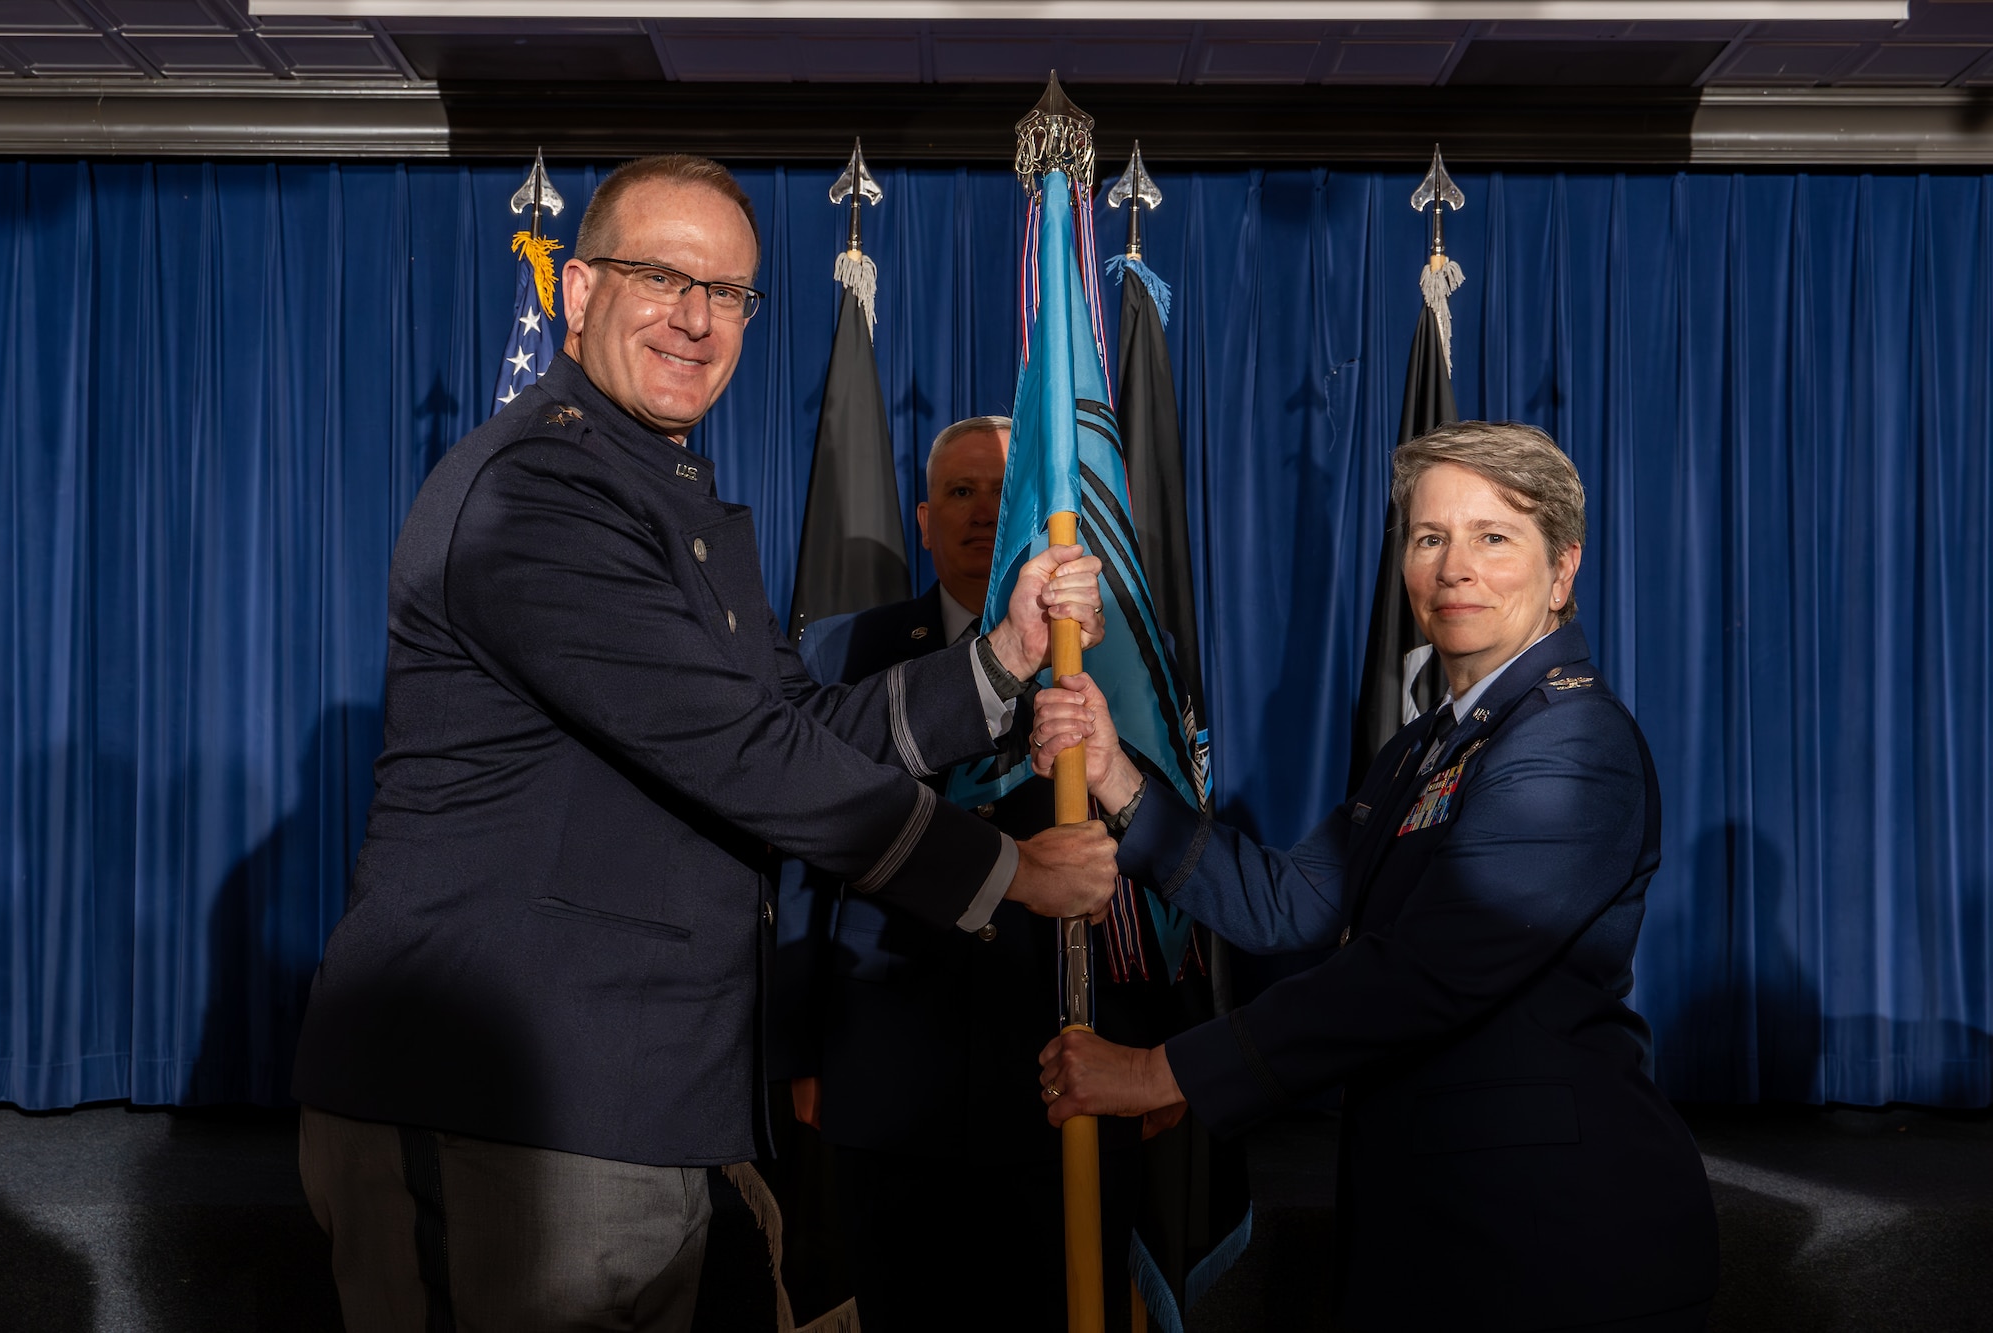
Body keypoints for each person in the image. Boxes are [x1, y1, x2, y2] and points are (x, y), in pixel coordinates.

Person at [289, 154, 1121, 1333]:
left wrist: (1000, 662)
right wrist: (1007, 872)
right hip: (497, 1107)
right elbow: (748, 759)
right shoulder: (538, 497)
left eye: (727, 292)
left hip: (640, 1096)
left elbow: (797, 724)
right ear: (575, 291)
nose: (696, 316)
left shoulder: (664, 498)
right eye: (658, 277)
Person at [1029, 421, 1721, 1331]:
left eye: (1494, 536)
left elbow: (1421, 972)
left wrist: (1165, 1072)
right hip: (1435, 1220)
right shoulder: (1427, 744)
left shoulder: (1571, 743)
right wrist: (1118, 777)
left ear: (1563, 570)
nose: (1453, 567)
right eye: (1430, 538)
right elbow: (1290, 902)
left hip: (1553, 1238)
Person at [773, 417, 1185, 1333]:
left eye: (1006, 494)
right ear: (923, 518)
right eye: (960, 492)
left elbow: (1164, 862)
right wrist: (801, 1047)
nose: (983, 512)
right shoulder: (845, 651)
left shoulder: (1116, 657)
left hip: (1064, 1058)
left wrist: (1162, 1052)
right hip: (888, 1066)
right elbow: (803, 853)